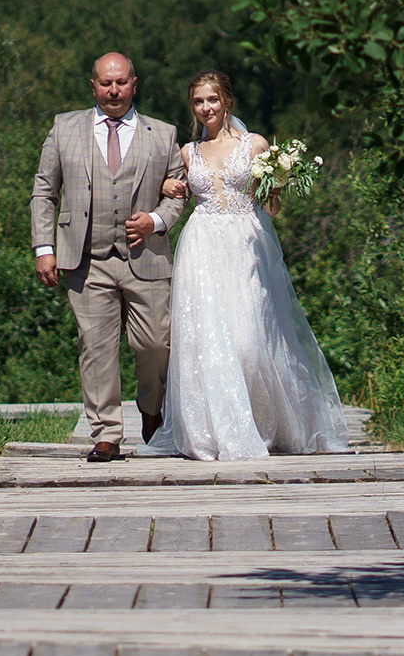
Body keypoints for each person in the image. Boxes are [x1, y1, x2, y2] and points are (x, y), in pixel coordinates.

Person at [141, 70, 349, 460]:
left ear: (227, 102)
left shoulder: (254, 145)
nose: (206, 108)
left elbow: (271, 205)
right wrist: (166, 187)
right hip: (201, 247)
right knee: (210, 341)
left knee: (250, 341)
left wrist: (279, 179)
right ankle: (215, 430)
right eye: (199, 102)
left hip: (245, 245)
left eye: (213, 100)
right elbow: (172, 194)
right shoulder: (188, 153)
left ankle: (263, 422)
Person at [32, 52, 188, 462]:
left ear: (135, 84)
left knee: (156, 342)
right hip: (86, 258)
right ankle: (106, 433)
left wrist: (155, 220)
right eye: (106, 83)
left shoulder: (163, 133)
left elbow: (180, 192)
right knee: (96, 346)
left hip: (146, 257)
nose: (114, 90)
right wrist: (44, 248)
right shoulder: (65, 127)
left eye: (121, 82)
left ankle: (152, 412)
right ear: (93, 85)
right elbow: (44, 191)